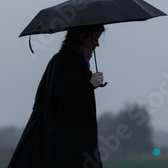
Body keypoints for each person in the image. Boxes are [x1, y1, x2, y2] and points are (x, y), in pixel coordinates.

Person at [8, 24, 106, 168]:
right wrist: (88, 86)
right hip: (65, 154)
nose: (97, 44)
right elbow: (65, 107)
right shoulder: (68, 63)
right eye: (95, 39)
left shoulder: (67, 61)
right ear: (82, 37)